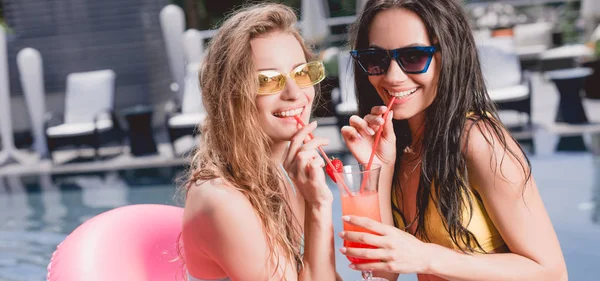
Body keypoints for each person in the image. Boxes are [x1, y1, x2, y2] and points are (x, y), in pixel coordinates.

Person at [338, 0, 568, 280]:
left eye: (413, 57)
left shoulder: (478, 140)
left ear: (449, 55)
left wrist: (426, 257)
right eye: (376, 60)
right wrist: (382, 167)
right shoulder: (400, 144)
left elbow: (552, 272)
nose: (392, 77)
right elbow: (383, 272)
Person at [180, 3, 339, 281]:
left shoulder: (278, 174)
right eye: (267, 80)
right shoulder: (221, 199)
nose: (294, 93)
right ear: (231, 95)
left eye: (301, 73)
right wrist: (319, 204)